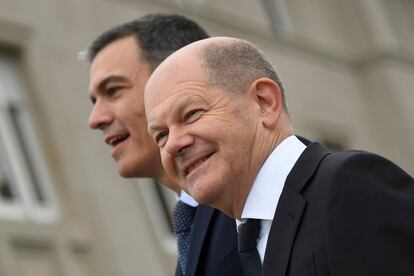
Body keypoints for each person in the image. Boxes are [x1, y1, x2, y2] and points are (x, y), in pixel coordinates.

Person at [144, 36, 414, 276]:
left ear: (264, 102)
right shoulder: (233, 249)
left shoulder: (351, 185)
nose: (172, 145)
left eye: (191, 114)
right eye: (161, 135)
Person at [84, 16, 242, 276]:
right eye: (94, 101)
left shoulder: (259, 201)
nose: (95, 119)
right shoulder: (195, 228)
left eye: (113, 91)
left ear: (175, 80)